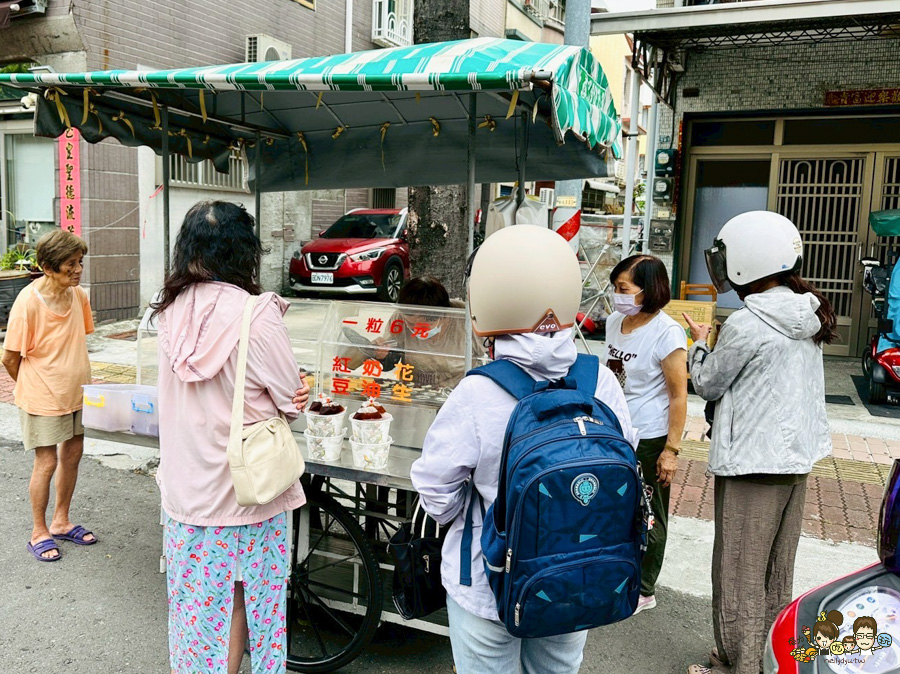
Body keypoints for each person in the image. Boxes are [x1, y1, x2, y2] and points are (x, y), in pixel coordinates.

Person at [411, 226, 636, 674]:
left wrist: (480, 513)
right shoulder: (600, 382)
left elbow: (435, 490)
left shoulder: (478, 392)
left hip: (487, 580)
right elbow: (624, 457)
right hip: (577, 575)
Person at [152, 201, 310, 674]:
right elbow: (288, 399)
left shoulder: (168, 311)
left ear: (187, 249)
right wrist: (299, 392)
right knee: (246, 601)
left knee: (195, 609)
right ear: (245, 251)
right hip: (246, 489)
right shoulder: (256, 315)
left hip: (185, 489)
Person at [683, 211, 834, 674]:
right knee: (775, 572)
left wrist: (699, 343)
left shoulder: (748, 322)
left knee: (739, 573)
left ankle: (740, 666)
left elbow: (707, 382)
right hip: (795, 462)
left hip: (751, 463)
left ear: (747, 261)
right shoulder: (806, 314)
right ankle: (767, 661)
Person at [2, 230, 96, 562]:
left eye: (80, 262)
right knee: (47, 462)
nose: (78, 270)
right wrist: (35, 386)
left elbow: (78, 338)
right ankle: (39, 531)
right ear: (47, 267)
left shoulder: (78, 295)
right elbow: (9, 358)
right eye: (70, 264)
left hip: (78, 393)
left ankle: (61, 521)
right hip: (43, 396)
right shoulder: (28, 302)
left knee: (72, 455)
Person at [604, 254, 687, 614]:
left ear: (648, 289)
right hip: (614, 432)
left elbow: (678, 395)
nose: (617, 295)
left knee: (649, 511)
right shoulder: (614, 322)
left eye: (624, 289)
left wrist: (671, 450)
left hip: (650, 438)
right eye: (615, 287)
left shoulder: (667, 333)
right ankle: (618, 576)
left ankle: (644, 588)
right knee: (615, 508)